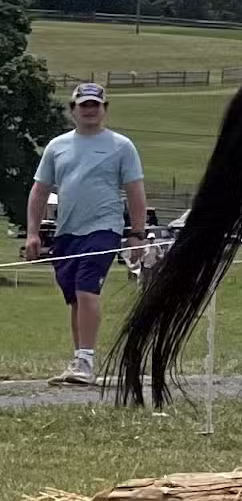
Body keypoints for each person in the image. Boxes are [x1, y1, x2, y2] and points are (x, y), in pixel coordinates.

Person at [24, 82, 149, 386]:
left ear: (105, 109)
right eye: (84, 105)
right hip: (67, 233)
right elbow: (39, 192)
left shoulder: (121, 146)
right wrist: (33, 233)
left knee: (86, 289)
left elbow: (135, 192)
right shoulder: (57, 147)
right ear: (73, 110)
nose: (90, 110)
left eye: (96, 105)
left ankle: (86, 362)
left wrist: (137, 234)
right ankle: (79, 359)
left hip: (104, 228)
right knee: (75, 298)